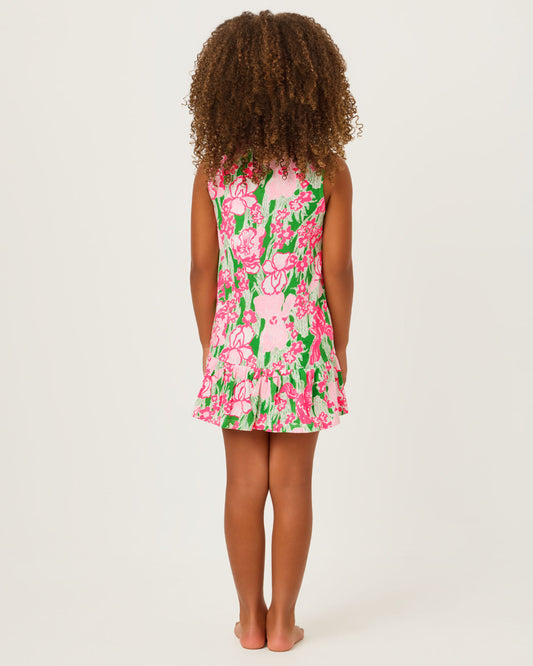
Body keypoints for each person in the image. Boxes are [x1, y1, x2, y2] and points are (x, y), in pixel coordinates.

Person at [186, 10, 362, 652]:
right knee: (292, 485)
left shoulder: (214, 172)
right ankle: (285, 622)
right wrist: (338, 345)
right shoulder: (328, 169)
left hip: (236, 343)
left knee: (242, 485)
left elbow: (202, 269)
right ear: (315, 85)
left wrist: (213, 345)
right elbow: (336, 270)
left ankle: (250, 620)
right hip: (304, 345)